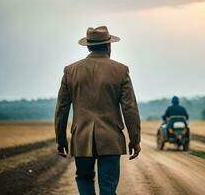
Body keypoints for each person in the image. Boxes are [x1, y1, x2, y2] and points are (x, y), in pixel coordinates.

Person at [54, 26, 141, 195]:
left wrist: (61, 139)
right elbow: (129, 108)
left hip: (81, 138)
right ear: (109, 46)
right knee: (108, 184)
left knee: (84, 178)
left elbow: (61, 109)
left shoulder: (70, 71)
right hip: (111, 138)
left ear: (88, 46)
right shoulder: (121, 70)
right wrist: (135, 139)